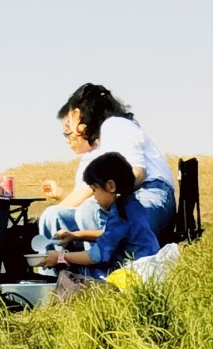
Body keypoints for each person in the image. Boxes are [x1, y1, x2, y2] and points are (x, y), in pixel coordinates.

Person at [38, 82, 176, 247]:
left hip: (147, 196)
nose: (69, 129)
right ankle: (61, 263)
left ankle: (100, 261)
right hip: (131, 198)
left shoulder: (115, 126)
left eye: (69, 121)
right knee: (54, 216)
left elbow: (137, 172)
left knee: (89, 210)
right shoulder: (100, 146)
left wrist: (110, 197)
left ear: (77, 113)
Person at [39, 151, 159, 295]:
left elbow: (95, 256)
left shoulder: (122, 215)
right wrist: (75, 236)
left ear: (110, 186)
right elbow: (109, 234)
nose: (94, 196)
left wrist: (60, 257)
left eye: (94, 190)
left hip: (136, 273)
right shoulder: (131, 205)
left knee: (79, 273)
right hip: (148, 267)